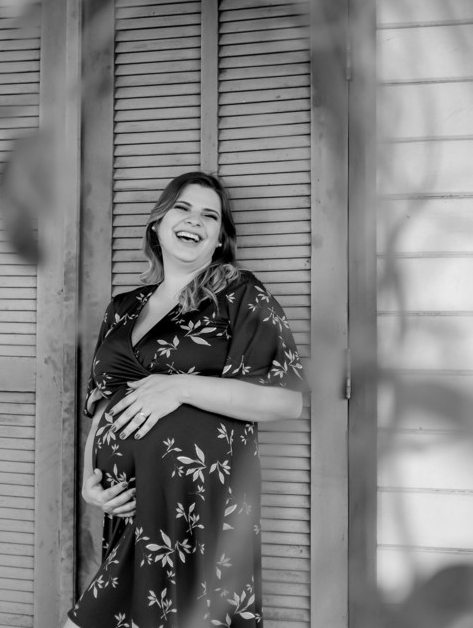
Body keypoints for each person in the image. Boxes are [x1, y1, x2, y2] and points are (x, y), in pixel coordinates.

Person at [65, 170, 307, 628]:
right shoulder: (122, 308)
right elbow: (103, 403)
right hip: (133, 508)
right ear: (157, 224)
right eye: (183, 208)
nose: (195, 220)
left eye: (209, 216)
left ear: (219, 239)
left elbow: (286, 401)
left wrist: (178, 386)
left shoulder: (240, 294)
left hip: (198, 506)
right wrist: (88, 480)